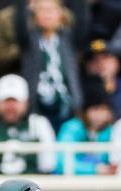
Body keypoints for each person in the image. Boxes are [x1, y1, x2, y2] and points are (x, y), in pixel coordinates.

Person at [0, 74, 57, 175]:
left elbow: (47, 168)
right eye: (6, 101)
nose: (11, 107)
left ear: (26, 102)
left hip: (33, 187)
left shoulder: (39, 124)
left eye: (15, 101)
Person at [16, 0, 83, 131]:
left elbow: (82, 20)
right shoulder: (29, 40)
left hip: (66, 105)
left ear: (61, 14)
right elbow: (20, 21)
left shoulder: (68, 38)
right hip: (37, 106)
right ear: (34, 15)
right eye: (42, 10)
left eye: (51, 10)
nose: (47, 14)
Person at [55, 81, 115, 176]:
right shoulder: (71, 128)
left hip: (102, 185)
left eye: (104, 109)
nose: (100, 115)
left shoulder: (112, 131)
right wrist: (94, 169)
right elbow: (61, 163)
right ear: (85, 111)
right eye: (95, 109)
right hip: (71, 185)